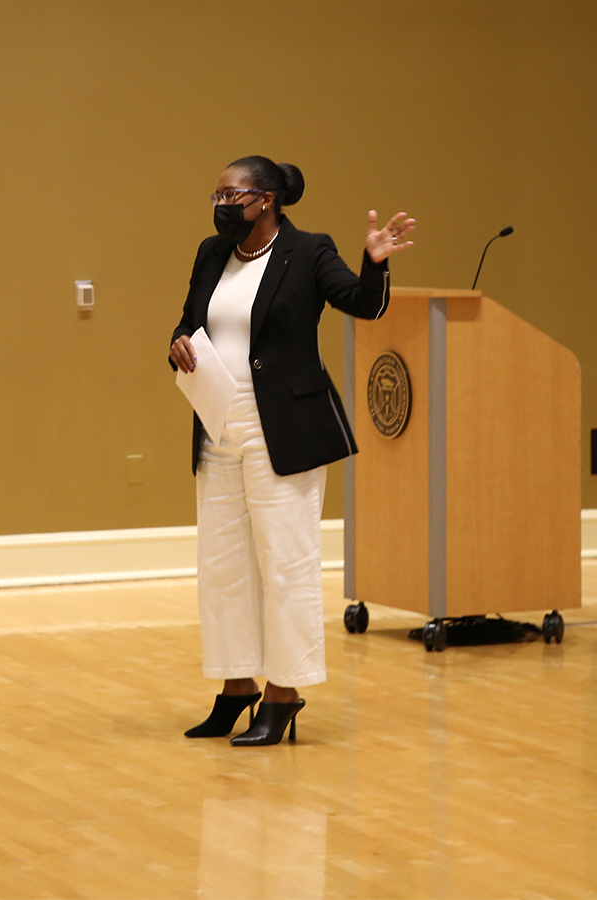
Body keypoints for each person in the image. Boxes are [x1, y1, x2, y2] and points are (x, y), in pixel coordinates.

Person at [169, 155, 415, 746]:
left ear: (267, 199)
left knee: (286, 563)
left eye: (233, 194)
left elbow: (363, 302)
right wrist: (176, 345)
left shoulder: (308, 252)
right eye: (217, 194)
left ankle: (284, 694)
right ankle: (237, 688)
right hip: (217, 421)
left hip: (282, 426)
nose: (222, 204)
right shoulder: (211, 253)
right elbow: (188, 322)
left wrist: (374, 263)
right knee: (222, 568)